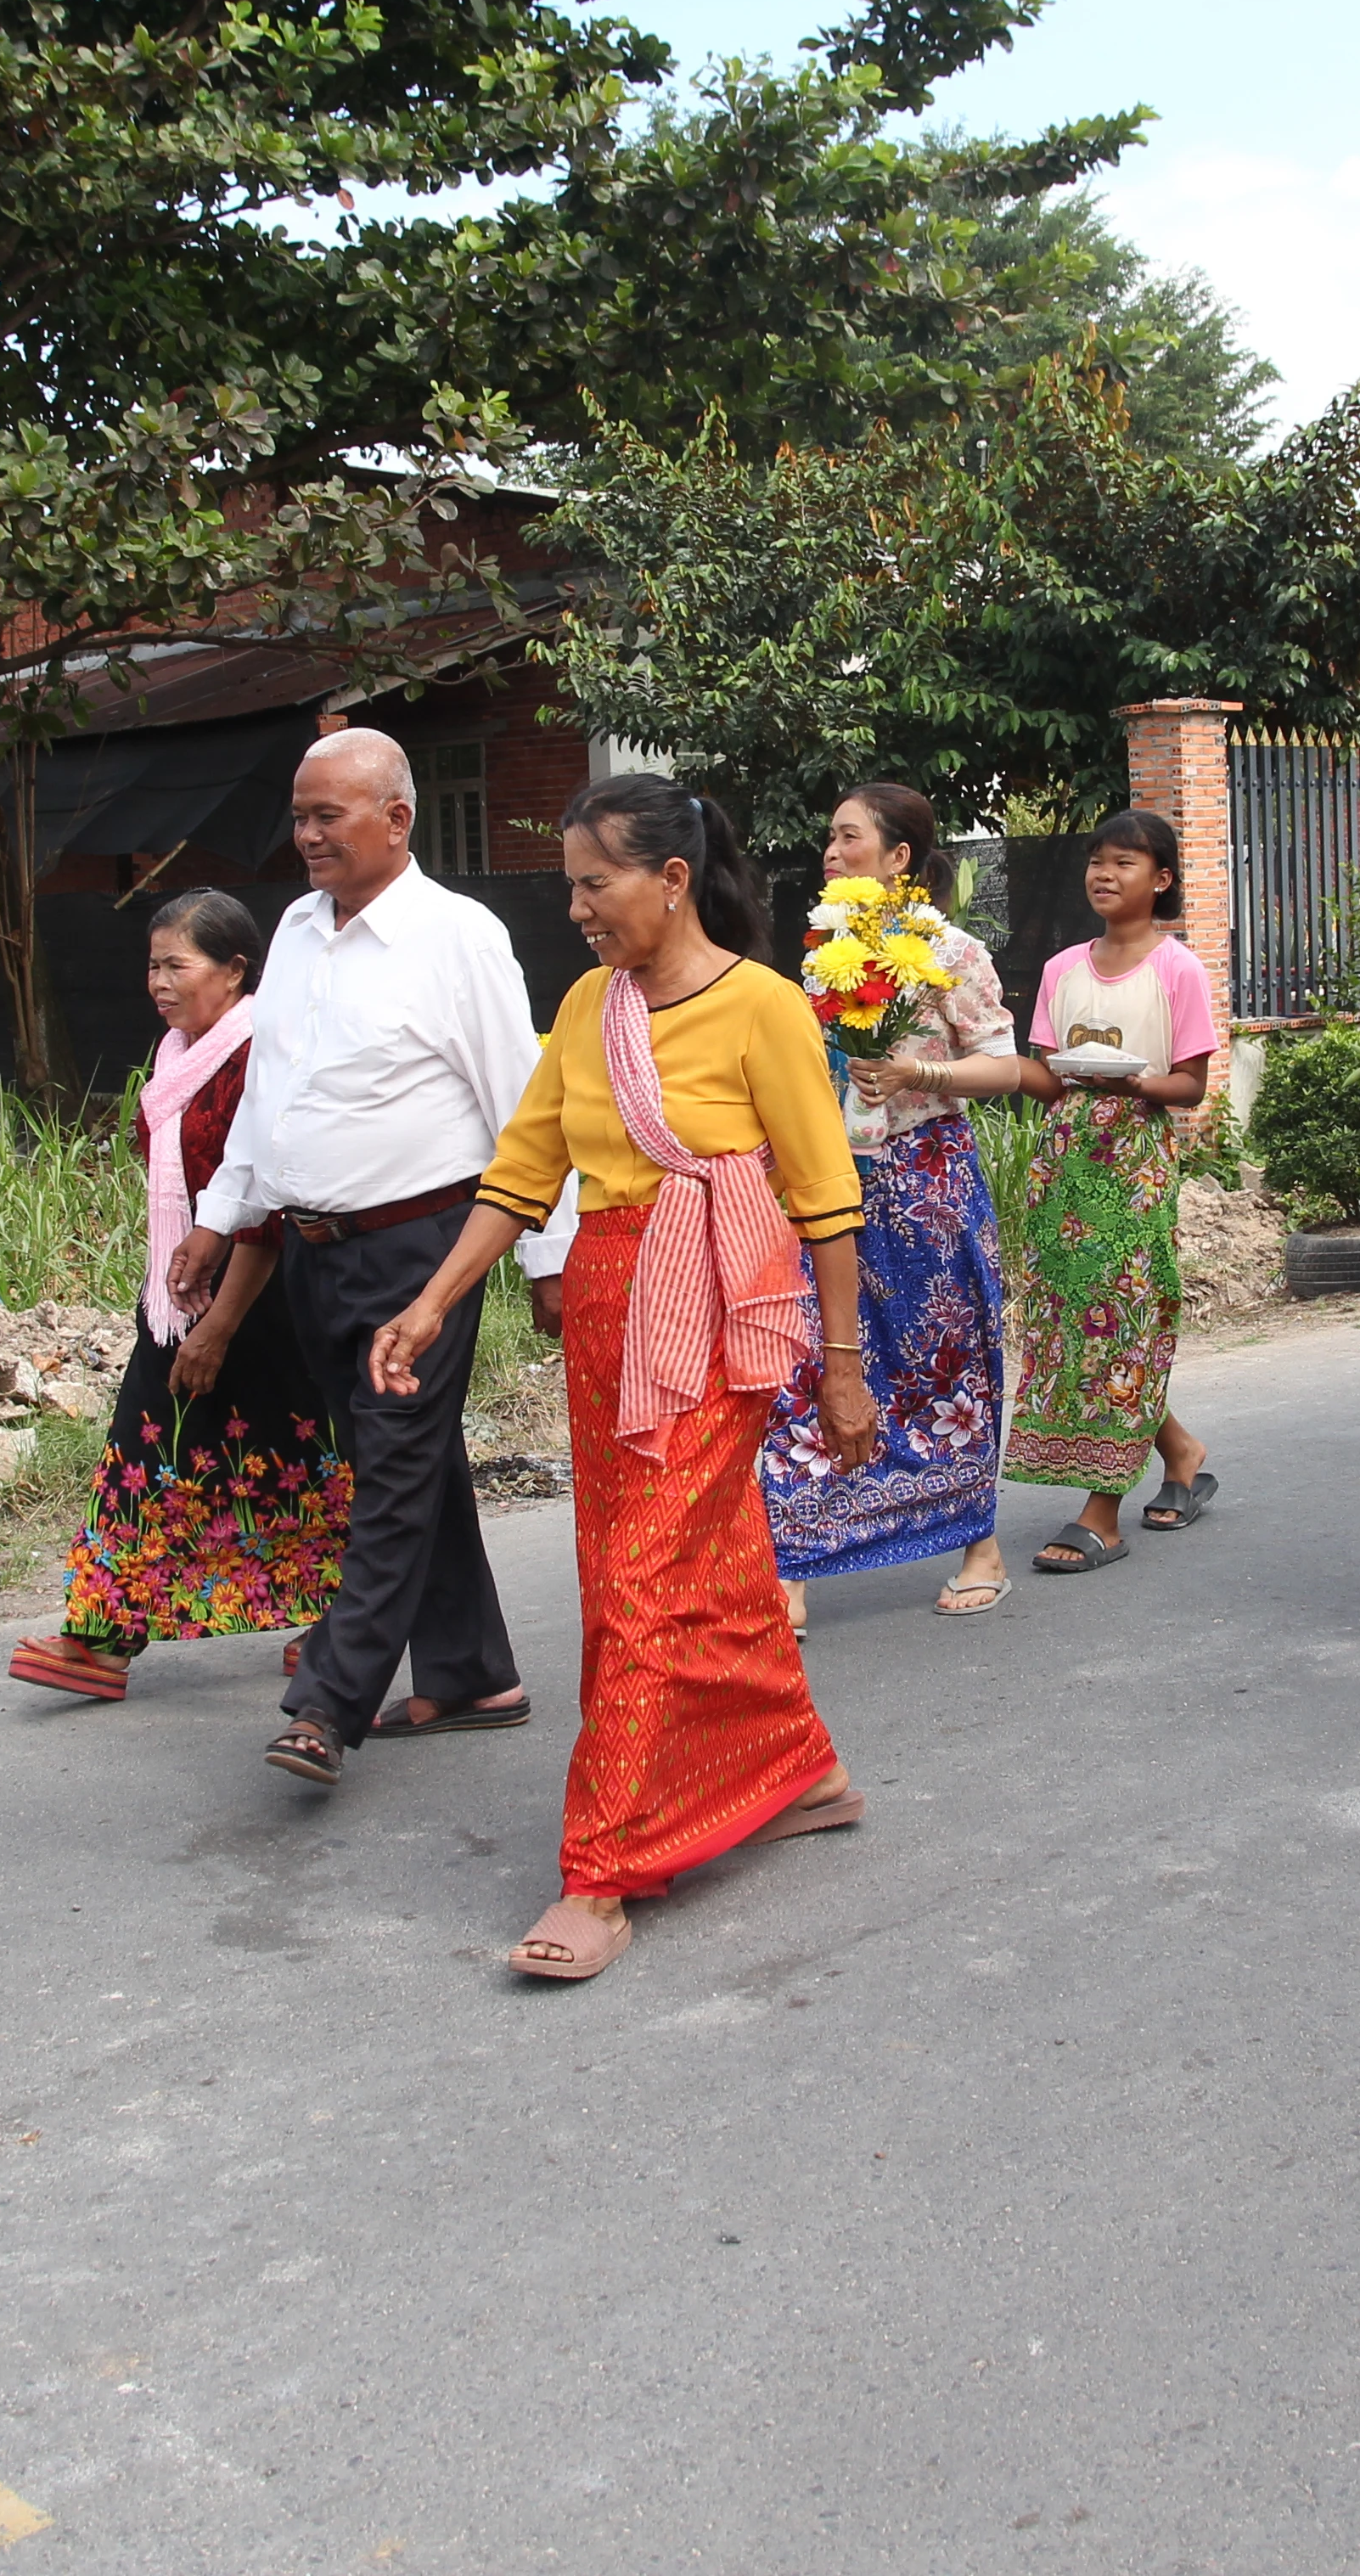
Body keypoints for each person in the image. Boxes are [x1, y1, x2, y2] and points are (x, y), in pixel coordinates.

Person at [376, 779, 873, 1983]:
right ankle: (800, 1769)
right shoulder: (589, 1006)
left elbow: (824, 1197)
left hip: (713, 1314)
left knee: (642, 1584)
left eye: (595, 885)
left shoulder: (763, 1008)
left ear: (672, 879)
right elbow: (520, 1170)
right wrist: (434, 1301)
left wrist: (847, 1367)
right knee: (686, 1562)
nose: (580, 909)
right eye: (571, 888)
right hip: (607, 1311)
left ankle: (601, 1868)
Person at [167, 729, 565, 1788]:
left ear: (397, 819)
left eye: (326, 816)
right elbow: (269, 1098)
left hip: (422, 1252)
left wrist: (546, 1261)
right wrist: (220, 1216)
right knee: (409, 1462)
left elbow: (525, 1105)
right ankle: (475, 1673)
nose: (304, 837)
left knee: (388, 1473)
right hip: (312, 1254)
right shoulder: (296, 932)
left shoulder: (457, 937)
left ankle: (329, 1702)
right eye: (297, 817)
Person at [14, 890, 344, 1701]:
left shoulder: (258, 1053)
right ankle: (105, 1636)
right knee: (162, 1454)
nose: (158, 982)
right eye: (151, 965)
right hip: (186, 1291)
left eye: (176, 965)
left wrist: (219, 1327)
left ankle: (341, 1620)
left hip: (263, 1299)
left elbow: (265, 1198)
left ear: (235, 972)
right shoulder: (175, 1056)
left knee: (295, 1457)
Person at [941, 811, 1222, 1575]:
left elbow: (1190, 1086)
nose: (1104, 874)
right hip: (1062, 1160)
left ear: (1160, 880)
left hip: (1134, 1160)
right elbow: (1039, 1074)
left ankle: (1102, 1511)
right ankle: (1182, 1451)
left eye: (1124, 863)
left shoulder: (1177, 970)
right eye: (1097, 860)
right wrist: (948, 1071)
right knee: (1075, 1323)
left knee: (1121, 1314)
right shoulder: (1064, 967)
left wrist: (1131, 1081)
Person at [775, 783, 1015, 1618]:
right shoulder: (823, 953)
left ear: (899, 857)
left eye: (848, 839)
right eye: (830, 840)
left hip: (926, 1181)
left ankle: (978, 1542)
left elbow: (1005, 1064)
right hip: (837, 1186)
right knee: (817, 1358)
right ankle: (795, 1558)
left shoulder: (949, 953)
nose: (831, 853)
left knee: (944, 1362)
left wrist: (919, 1073)